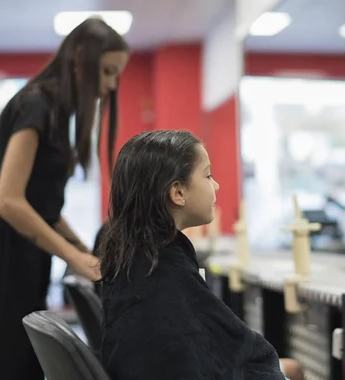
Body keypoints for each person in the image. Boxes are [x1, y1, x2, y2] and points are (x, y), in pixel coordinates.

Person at [0, 17, 129, 380]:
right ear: (79, 60)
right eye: (106, 72)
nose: (110, 85)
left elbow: (46, 211)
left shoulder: (58, 114)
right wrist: (73, 256)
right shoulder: (35, 105)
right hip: (2, 269)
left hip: (28, 268)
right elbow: (8, 201)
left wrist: (87, 252)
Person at [96, 130, 304, 380]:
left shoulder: (136, 257)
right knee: (293, 369)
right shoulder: (163, 273)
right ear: (178, 193)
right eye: (207, 175)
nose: (215, 185)